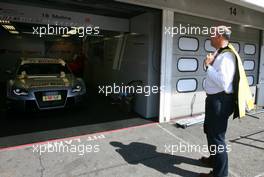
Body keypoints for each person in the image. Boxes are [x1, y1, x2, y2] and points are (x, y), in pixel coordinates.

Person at [199, 26, 237, 177]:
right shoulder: (219, 53)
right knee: (209, 131)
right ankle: (214, 160)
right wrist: (208, 65)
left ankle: (220, 174)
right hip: (214, 99)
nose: (210, 37)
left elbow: (223, 82)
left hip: (220, 101)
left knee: (217, 138)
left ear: (220, 36)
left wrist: (208, 65)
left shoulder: (226, 56)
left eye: (212, 34)